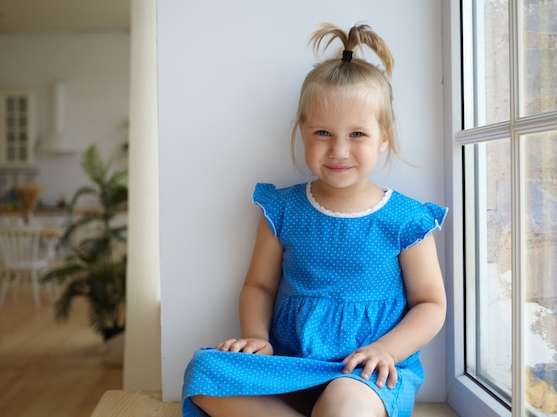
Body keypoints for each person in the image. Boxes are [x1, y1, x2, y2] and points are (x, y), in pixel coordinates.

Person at [181, 22, 448, 417]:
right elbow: (258, 285)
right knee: (204, 372)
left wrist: (385, 351)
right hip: (290, 366)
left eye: (357, 134)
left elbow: (430, 303)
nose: (339, 150)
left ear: (383, 139)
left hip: (365, 373)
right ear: (302, 133)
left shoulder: (406, 219)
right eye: (323, 132)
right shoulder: (283, 209)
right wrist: (257, 338)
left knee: (344, 405)